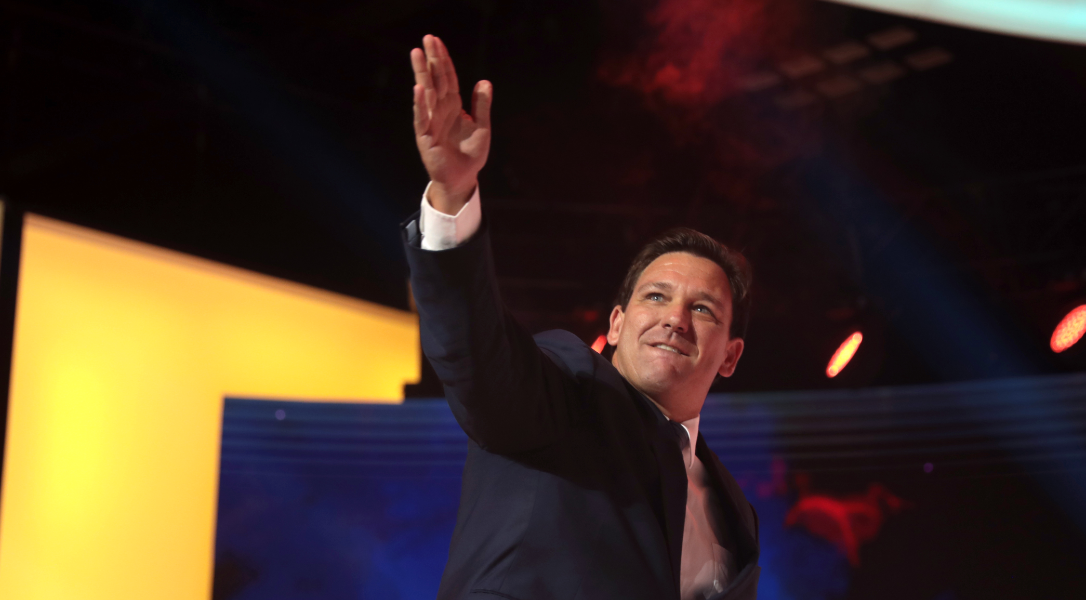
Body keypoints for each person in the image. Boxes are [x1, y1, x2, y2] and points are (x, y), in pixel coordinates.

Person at [402, 35, 761, 600]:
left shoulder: (735, 513)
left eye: (702, 308)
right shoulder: (565, 393)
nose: (675, 319)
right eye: (656, 297)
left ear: (731, 356)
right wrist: (453, 195)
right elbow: (477, 353)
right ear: (615, 324)